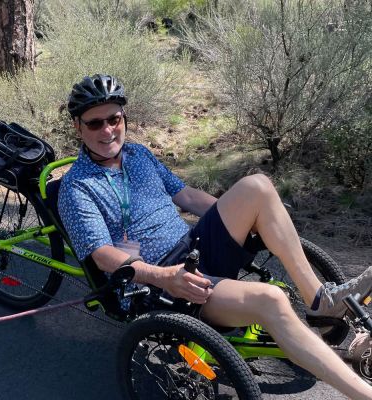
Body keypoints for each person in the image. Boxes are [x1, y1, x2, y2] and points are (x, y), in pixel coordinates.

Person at [58, 73, 372, 399]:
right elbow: (103, 255)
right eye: (95, 124)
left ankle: (320, 300)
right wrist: (165, 276)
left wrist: (247, 216)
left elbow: (188, 197)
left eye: (114, 119)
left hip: (192, 248)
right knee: (271, 299)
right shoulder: (77, 186)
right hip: (160, 284)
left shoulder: (138, 155)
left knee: (257, 186)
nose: (108, 130)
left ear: (124, 117)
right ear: (78, 127)